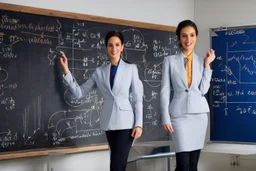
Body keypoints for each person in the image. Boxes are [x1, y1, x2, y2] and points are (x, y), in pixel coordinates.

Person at [59, 30, 144, 171]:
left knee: (117, 165)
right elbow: (79, 93)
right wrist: (66, 71)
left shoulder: (131, 69)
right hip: (109, 123)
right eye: (110, 45)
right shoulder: (99, 72)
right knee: (117, 164)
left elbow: (137, 97)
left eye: (117, 45)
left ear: (122, 47)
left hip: (126, 124)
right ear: (106, 48)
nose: (114, 48)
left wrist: (139, 124)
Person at [160, 20, 216, 171]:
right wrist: (165, 117)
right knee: (183, 164)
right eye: (184, 36)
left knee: (192, 165)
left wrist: (207, 66)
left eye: (192, 35)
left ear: (196, 37)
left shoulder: (201, 61)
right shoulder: (169, 61)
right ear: (178, 38)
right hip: (178, 116)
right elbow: (164, 91)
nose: (188, 39)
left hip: (198, 115)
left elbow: (203, 90)